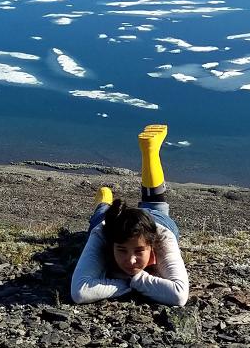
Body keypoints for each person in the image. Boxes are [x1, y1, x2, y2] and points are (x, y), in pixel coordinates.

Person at [70, 124, 189, 306]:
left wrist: (131, 280)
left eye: (139, 250)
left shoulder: (162, 239)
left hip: (156, 224)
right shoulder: (102, 234)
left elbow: (179, 296)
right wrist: (136, 281)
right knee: (105, 216)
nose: (131, 260)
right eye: (122, 250)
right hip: (123, 221)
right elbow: (80, 292)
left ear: (152, 245)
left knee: (102, 215)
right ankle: (148, 152)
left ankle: (149, 150)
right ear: (112, 245)